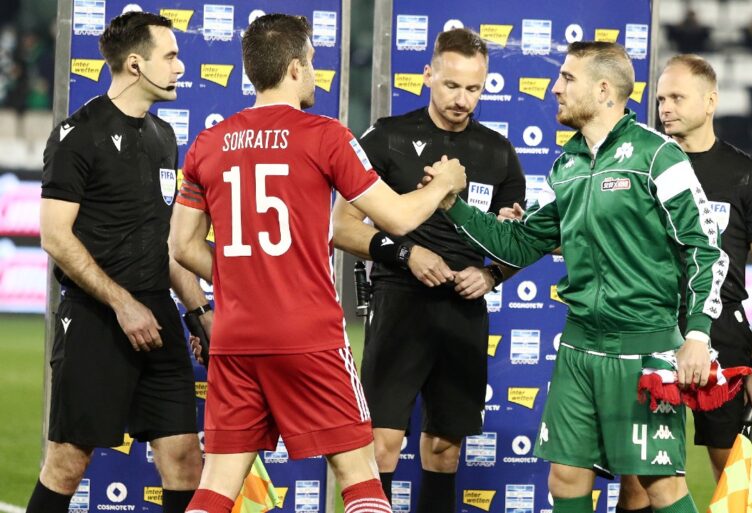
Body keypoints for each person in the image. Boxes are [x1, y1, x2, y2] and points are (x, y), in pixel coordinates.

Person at [168, 14, 466, 513]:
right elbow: (396, 217)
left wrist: (247, 279)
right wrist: (444, 184)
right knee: (360, 476)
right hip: (308, 335)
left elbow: (181, 245)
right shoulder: (324, 135)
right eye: (310, 62)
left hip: (236, 337)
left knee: (216, 485)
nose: (314, 73)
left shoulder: (208, 143)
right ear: (293, 68)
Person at [436, 41, 728, 513]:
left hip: (643, 345)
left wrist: (697, 334)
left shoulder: (658, 156)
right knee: (566, 477)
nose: (556, 88)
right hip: (578, 347)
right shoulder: (567, 166)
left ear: (604, 90)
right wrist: (454, 204)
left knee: (660, 485)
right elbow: (521, 243)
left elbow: (705, 248)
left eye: (568, 78)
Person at [331, 28, 526, 511]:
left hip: (463, 312)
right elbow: (340, 227)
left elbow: (516, 240)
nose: (462, 99)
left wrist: (492, 275)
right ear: (427, 75)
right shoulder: (387, 136)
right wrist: (407, 254)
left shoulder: (498, 151)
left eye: (474, 88)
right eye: (452, 85)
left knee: (444, 449)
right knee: (382, 443)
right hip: (399, 303)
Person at [29, 12, 208, 513]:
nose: (180, 66)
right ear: (134, 64)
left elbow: (166, 244)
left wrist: (198, 311)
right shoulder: (77, 134)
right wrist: (122, 304)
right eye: (170, 56)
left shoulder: (164, 136)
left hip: (158, 317)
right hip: (96, 317)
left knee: (185, 460)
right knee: (67, 463)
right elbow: (55, 236)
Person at [616, 54, 752, 513]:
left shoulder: (746, 174)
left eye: (677, 97)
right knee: (637, 478)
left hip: (722, 331)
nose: (665, 108)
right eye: (660, 99)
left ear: (710, 102)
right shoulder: (642, 164)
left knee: (730, 473)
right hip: (652, 327)